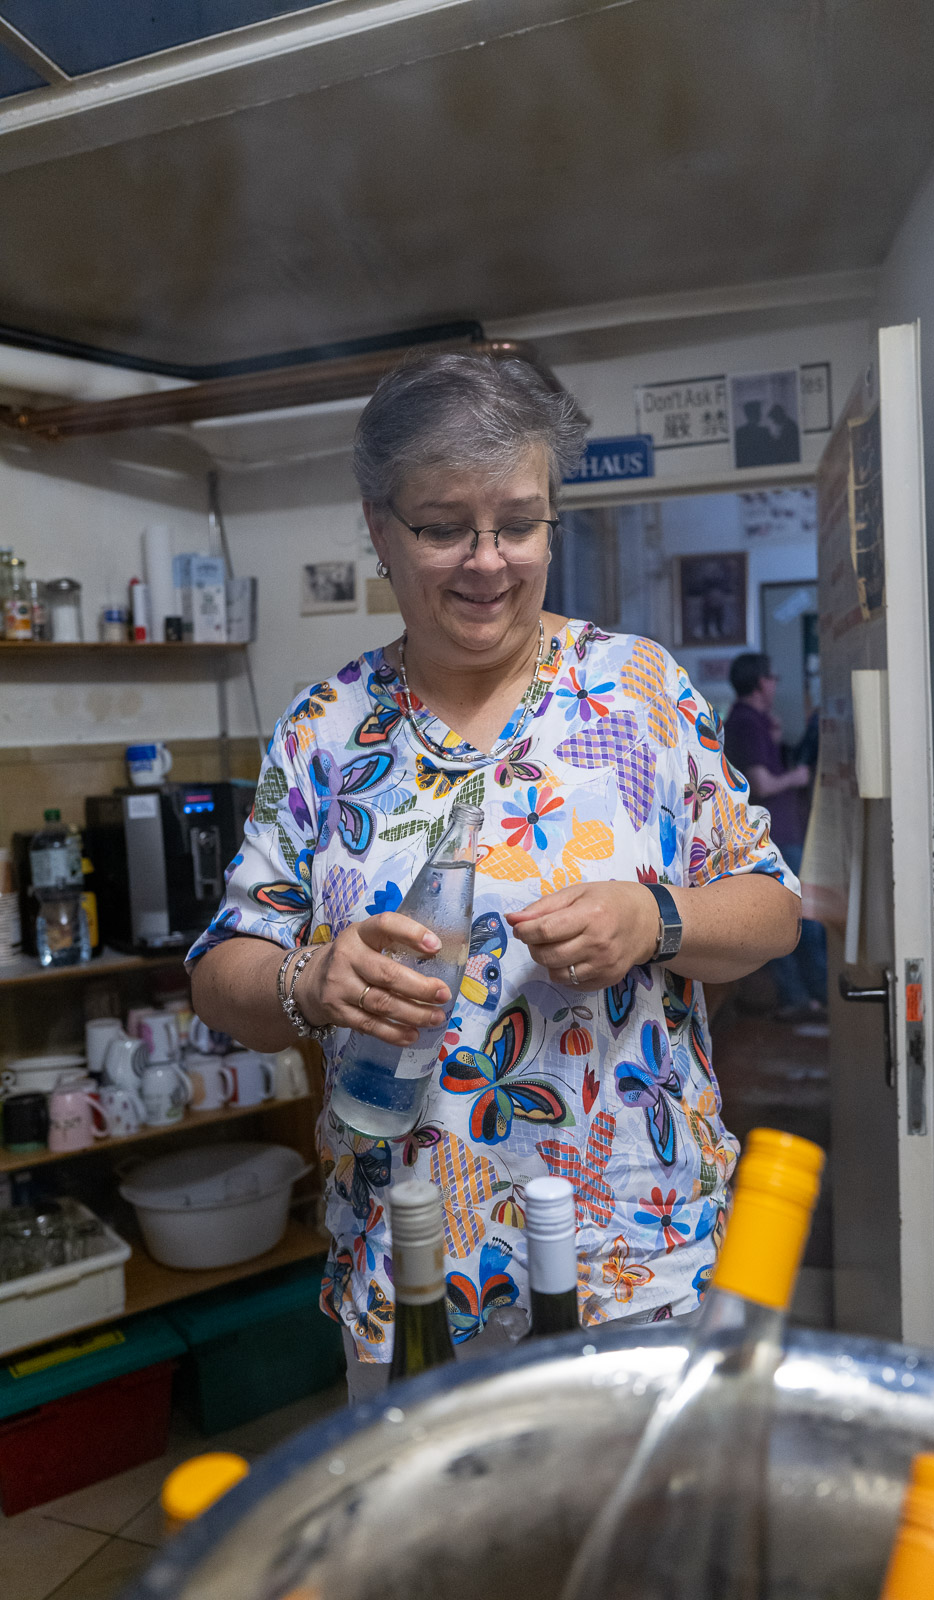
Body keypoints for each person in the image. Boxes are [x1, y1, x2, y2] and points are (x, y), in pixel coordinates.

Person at [188, 354, 801, 1395]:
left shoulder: (638, 690)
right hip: (413, 1259)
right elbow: (220, 974)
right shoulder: (325, 730)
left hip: (634, 1248)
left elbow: (773, 908)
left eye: (519, 524)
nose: (488, 563)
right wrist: (311, 979)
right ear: (380, 528)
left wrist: (655, 917)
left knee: (637, 1503)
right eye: (443, 528)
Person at [723, 652, 825, 1018]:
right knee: (795, 920)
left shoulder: (755, 721)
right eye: (771, 678)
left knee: (798, 919)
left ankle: (807, 998)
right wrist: (797, 777)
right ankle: (804, 999)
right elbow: (762, 784)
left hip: (780, 831)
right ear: (759, 683)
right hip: (776, 834)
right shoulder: (746, 722)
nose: (775, 684)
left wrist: (776, 739)